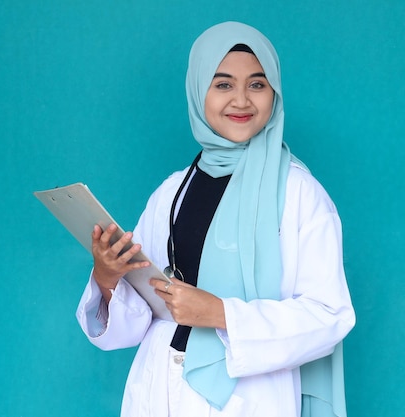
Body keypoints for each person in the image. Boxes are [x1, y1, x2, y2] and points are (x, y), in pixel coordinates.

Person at [76, 21, 355, 417]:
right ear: (197, 92)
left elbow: (330, 316)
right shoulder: (173, 191)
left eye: (257, 85)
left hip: (248, 399)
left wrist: (221, 314)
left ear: (274, 93)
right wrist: (107, 277)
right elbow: (141, 316)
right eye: (223, 84)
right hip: (160, 389)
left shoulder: (300, 194)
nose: (241, 100)